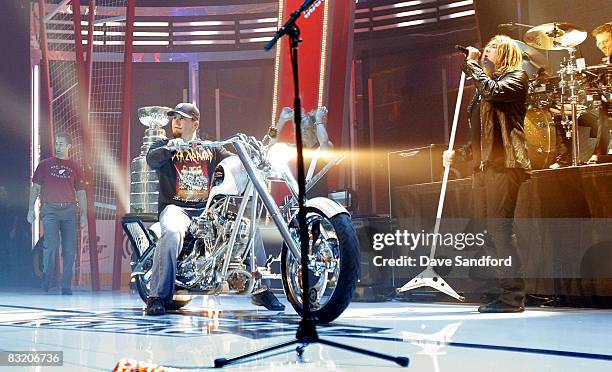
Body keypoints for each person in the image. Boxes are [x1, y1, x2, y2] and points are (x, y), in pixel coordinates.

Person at [144, 102, 284, 315]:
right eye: (174, 117)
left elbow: (238, 162)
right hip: (176, 208)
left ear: (195, 123)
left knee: (248, 229)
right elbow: (151, 159)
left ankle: (261, 289)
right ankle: (157, 296)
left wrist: (260, 154)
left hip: (208, 210)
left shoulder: (211, 148)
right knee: (172, 232)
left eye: (182, 117)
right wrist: (171, 147)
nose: (177, 121)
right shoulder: (164, 146)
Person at [443, 35, 530, 313]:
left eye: (492, 47)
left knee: (500, 230)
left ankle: (513, 296)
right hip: (484, 168)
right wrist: (460, 155)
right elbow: (481, 136)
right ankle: (500, 290)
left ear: (505, 52)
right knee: (488, 232)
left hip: (505, 165)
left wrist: (472, 65)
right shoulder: (483, 86)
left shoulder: (517, 78)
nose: (486, 50)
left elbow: (494, 91)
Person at [27, 132, 88, 295]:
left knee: (69, 250)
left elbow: (81, 192)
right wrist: (30, 209)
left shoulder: (75, 167)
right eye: (57, 143)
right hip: (50, 211)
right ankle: (47, 275)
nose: (58, 146)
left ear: (69, 146)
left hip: (69, 211)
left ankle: (66, 286)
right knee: (52, 245)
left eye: (62, 144)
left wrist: (84, 215)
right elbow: (36, 188)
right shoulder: (44, 165)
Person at [272, 106, 333, 197]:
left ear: (314, 130)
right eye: (301, 128)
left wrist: (319, 120)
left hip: (318, 202)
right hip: (298, 202)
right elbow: (270, 145)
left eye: (307, 128)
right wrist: (281, 121)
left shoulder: (324, 148)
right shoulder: (296, 149)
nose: (303, 131)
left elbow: (324, 141)